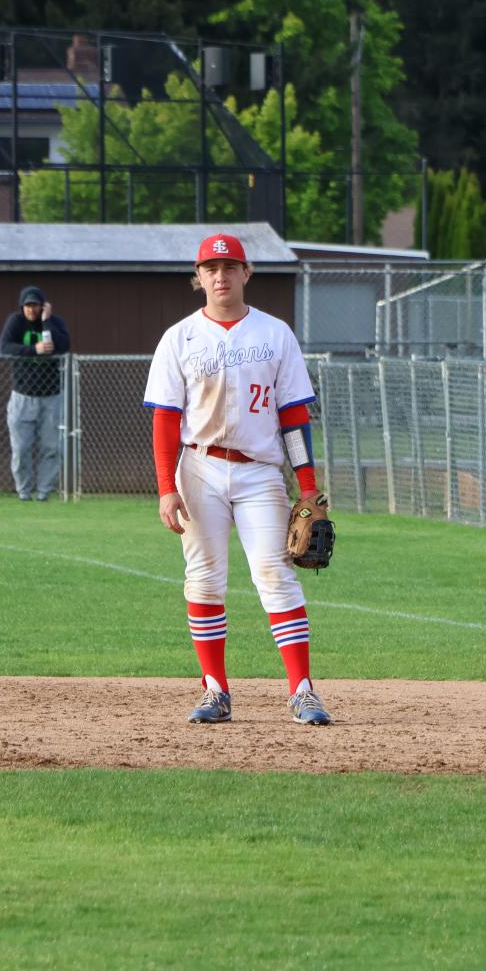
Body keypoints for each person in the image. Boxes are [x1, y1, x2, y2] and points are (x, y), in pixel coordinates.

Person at [143, 232, 331, 727]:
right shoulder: (178, 338)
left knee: (276, 574)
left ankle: (302, 691)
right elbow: (165, 419)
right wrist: (167, 487)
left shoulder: (275, 334)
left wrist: (306, 484)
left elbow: (293, 415)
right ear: (198, 276)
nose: (220, 276)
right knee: (204, 578)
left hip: (259, 472)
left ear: (246, 273)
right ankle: (215, 690)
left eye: (229, 268)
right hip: (198, 468)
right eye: (210, 268)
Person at [0, 284, 71, 501]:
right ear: (22, 307)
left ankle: (44, 492)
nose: (32, 310)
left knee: (51, 447)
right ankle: (24, 492)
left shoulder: (55, 323)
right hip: (23, 396)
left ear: (43, 306)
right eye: (28, 306)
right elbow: (5, 347)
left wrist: (47, 321)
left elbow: (64, 345)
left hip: (51, 396)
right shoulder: (16, 322)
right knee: (21, 448)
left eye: (36, 305)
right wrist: (33, 350)